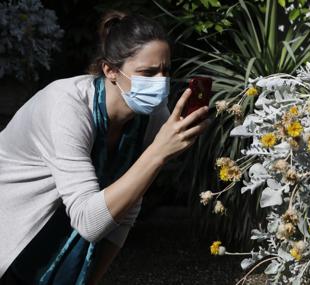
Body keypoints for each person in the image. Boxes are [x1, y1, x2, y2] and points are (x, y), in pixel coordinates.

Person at [0, 11, 210, 284]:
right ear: (110, 70)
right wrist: (158, 152)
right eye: (147, 73)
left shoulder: (153, 115)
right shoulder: (66, 106)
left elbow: (127, 208)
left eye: (165, 71)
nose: (160, 83)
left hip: (57, 223)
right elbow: (89, 220)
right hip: (13, 224)